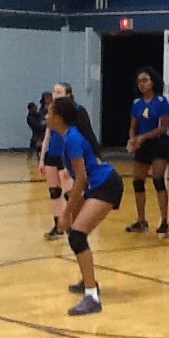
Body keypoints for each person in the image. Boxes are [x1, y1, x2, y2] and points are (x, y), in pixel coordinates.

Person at [49, 96, 125, 316]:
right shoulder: (64, 137)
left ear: (58, 117)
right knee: (76, 232)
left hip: (106, 185)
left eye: (49, 112)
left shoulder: (72, 138)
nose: (46, 115)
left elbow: (81, 178)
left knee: (77, 235)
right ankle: (87, 280)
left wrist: (66, 212)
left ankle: (92, 297)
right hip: (96, 185)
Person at [38, 82, 101, 240]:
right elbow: (47, 136)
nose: (55, 94)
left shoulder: (75, 114)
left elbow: (87, 135)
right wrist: (41, 159)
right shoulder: (52, 112)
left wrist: (70, 166)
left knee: (69, 193)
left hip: (66, 158)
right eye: (54, 91)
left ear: (68, 94)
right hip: (51, 156)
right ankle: (57, 226)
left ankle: (74, 225)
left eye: (59, 92)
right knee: (54, 192)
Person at [126, 67, 169, 238]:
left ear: (153, 81)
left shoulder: (161, 101)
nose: (142, 84)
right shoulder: (137, 103)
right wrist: (133, 139)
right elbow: (133, 126)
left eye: (145, 80)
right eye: (139, 81)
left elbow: (164, 127)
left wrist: (144, 137)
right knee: (138, 181)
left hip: (158, 142)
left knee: (158, 180)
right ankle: (141, 220)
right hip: (142, 144)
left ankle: (165, 221)